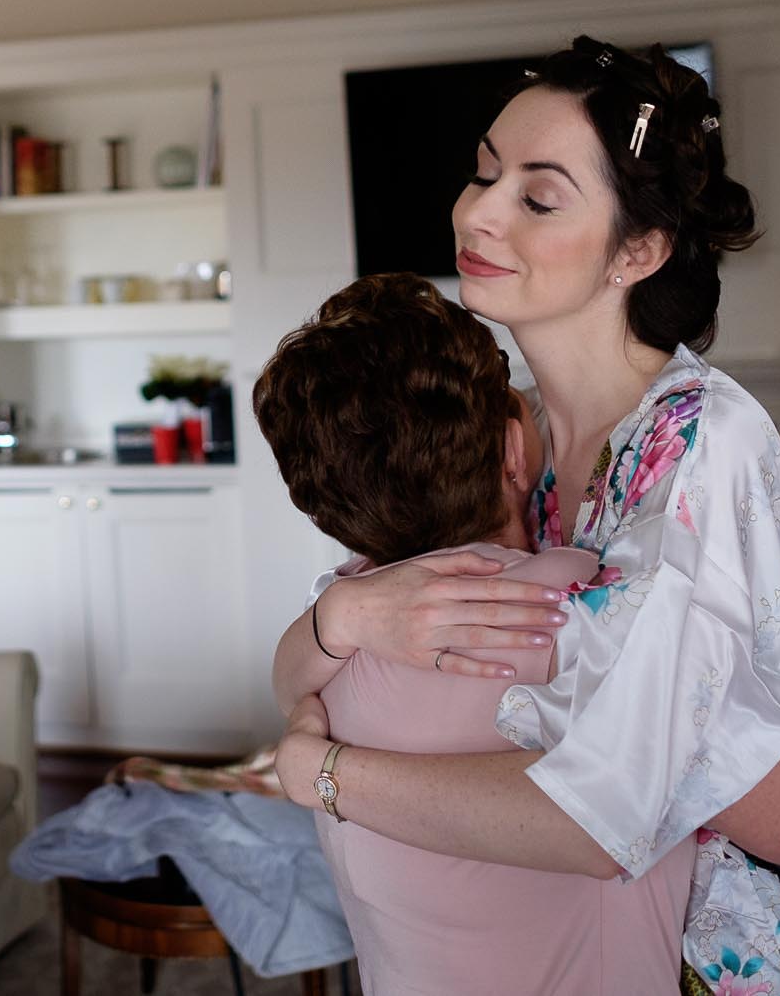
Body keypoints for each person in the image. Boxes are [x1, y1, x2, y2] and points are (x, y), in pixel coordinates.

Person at [267, 38, 780, 993]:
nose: (475, 210)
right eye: (484, 171)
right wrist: (341, 617)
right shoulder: (504, 427)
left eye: (537, 194)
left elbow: (762, 813)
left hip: (740, 962)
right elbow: (322, 660)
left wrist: (324, 776)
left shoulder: (701, 445)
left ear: (637, 251)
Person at [255, 272, 694, 994]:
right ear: (513, 450)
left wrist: (331, 645)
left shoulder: (338, 631)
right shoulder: (579, 604)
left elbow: (287, 674)